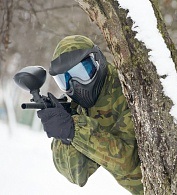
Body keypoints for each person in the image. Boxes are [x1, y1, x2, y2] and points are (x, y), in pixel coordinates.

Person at [37, 35, 144, 194]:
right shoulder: (80, 108)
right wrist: (65, 136)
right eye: (65, 79)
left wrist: (76, 129)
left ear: (97, 60)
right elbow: (77, 174)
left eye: (82, 71)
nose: (75, 84)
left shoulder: (126, 89)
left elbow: (127, 161)